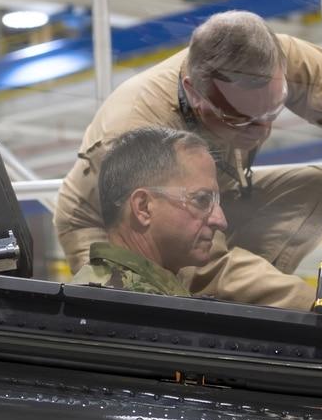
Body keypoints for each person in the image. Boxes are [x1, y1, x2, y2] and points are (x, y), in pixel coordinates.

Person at [56, 10, 322, 311]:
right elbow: (204, 268)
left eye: (273, 112)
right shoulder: (137, 131)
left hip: (207, 191)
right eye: (240, 121)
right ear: (192, 93)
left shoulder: (276, 59)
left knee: (317, 188)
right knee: (165, 313)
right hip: (110, 222)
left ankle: (252, 311)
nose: (262, 132)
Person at [72, 127, 229, 296]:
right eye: (202, 200)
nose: (220, 221)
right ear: (143, 207)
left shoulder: (113, 294)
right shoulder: (132, 305)